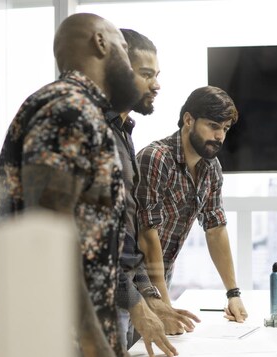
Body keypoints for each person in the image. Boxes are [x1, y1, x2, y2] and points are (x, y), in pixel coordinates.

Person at [0, 13, 150, 357]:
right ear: (100, 42)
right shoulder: (69, 109)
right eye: (124, 48)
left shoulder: (85, 112)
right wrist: (93, 342)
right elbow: (45, 239)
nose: (130, 66)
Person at [107, 28, 198, 354]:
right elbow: (90, 241)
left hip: (120, 291)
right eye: (147, 74)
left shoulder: (124, 133)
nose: (157, 85)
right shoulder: (93, 130)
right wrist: (139, 301)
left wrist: (152, 299)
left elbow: (127, 245)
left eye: (156, 75)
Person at [136, 86, 248, 323]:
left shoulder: (211, 168)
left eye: (225, 129)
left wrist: (233, 294)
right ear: (189, 120)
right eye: (213, 126)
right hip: (130, 283)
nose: (220, 136)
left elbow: (215, 228)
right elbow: (147, 235)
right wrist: (163, 305)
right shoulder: (156, 158)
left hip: (161, 279)